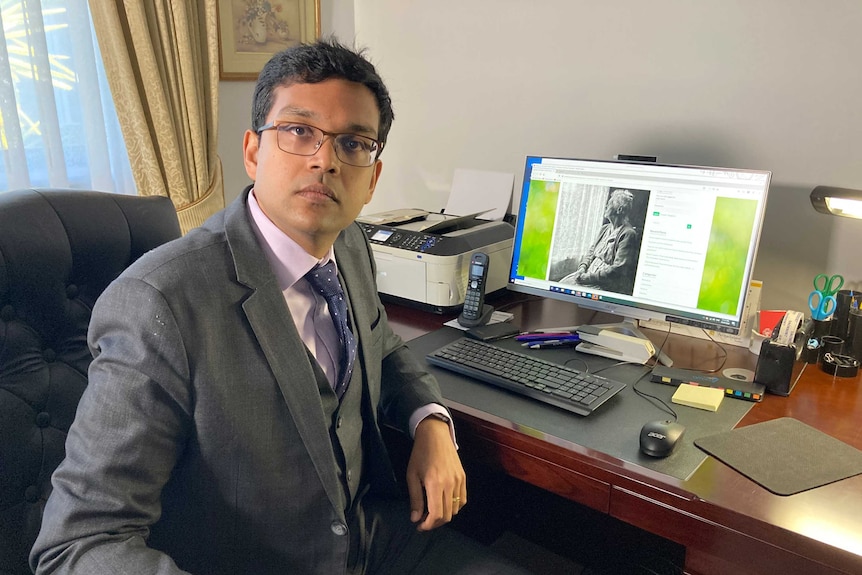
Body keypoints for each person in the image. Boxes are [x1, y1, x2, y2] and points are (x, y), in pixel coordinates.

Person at [31, 39, 527, 575]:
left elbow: (380, 344)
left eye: (354, 143)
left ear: (373, 178)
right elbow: (80, 541)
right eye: (298, 131)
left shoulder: (353, 244)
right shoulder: (159, 302)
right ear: (252, 151)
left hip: (368, 539)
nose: (325, 160)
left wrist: (430, 422)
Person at [560, 189, 640, 294]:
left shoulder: (628, 234)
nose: (606, 207)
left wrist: (587, 277)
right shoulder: (605, 228)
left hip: (603, 283)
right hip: (587, 274)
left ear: (619, 209)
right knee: (563, 284)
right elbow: (591, 251)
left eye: (609, 204)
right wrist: (582, 268)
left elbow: (617, 270)